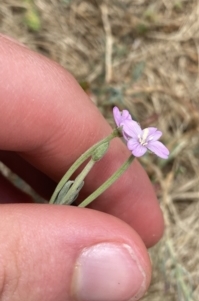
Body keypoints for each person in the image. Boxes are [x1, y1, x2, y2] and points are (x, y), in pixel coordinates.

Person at [0, 34, 164, 301]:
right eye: (141, 137)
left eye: (145, 139)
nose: (142, 138)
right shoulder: (125, 135)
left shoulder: (133, 141)